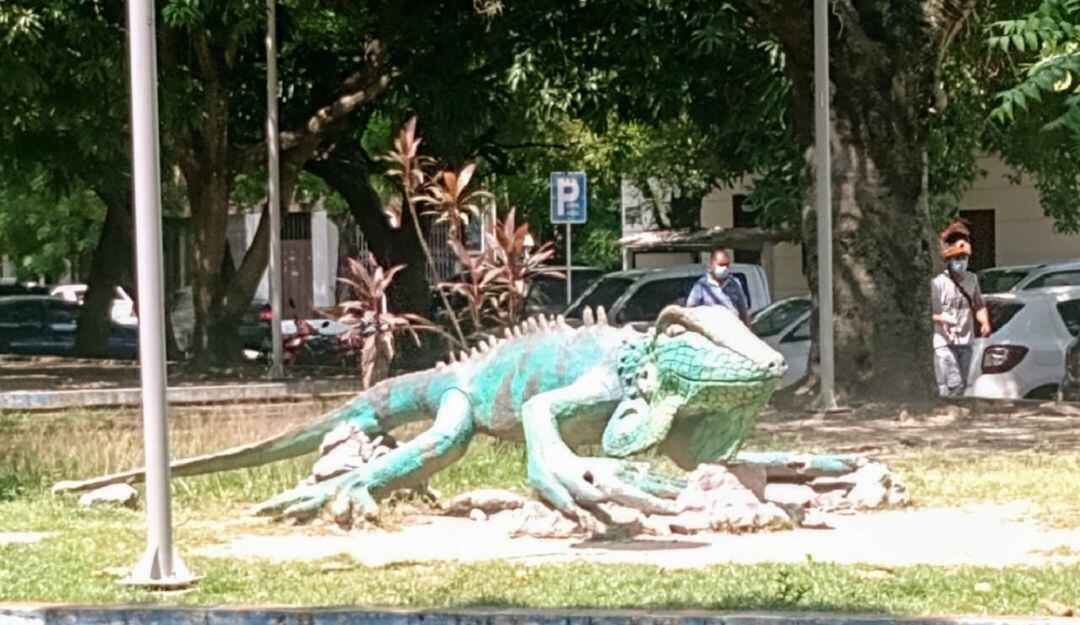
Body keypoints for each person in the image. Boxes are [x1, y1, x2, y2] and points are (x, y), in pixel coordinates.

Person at [931, 221, 991, 397]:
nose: (961, 262)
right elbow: (931, 314)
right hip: (944, 342)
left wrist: (984, 321)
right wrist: (943, 319)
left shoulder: (972, 280)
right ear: (950, 260)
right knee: (953, 381)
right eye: (958, 259)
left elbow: (979, 304)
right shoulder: (938, 283)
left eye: (964, 258)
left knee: (963, 383)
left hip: (966, 340)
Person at [686, 249, 751, 326]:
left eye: (726, 265)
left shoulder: (734, 283)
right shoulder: (701, 286)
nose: (724, 268)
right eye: (721, 265)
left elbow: (742, 309)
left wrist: (747, 327)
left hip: (734, 328)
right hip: (713, 329)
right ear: (711, 264)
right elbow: (690, 310)